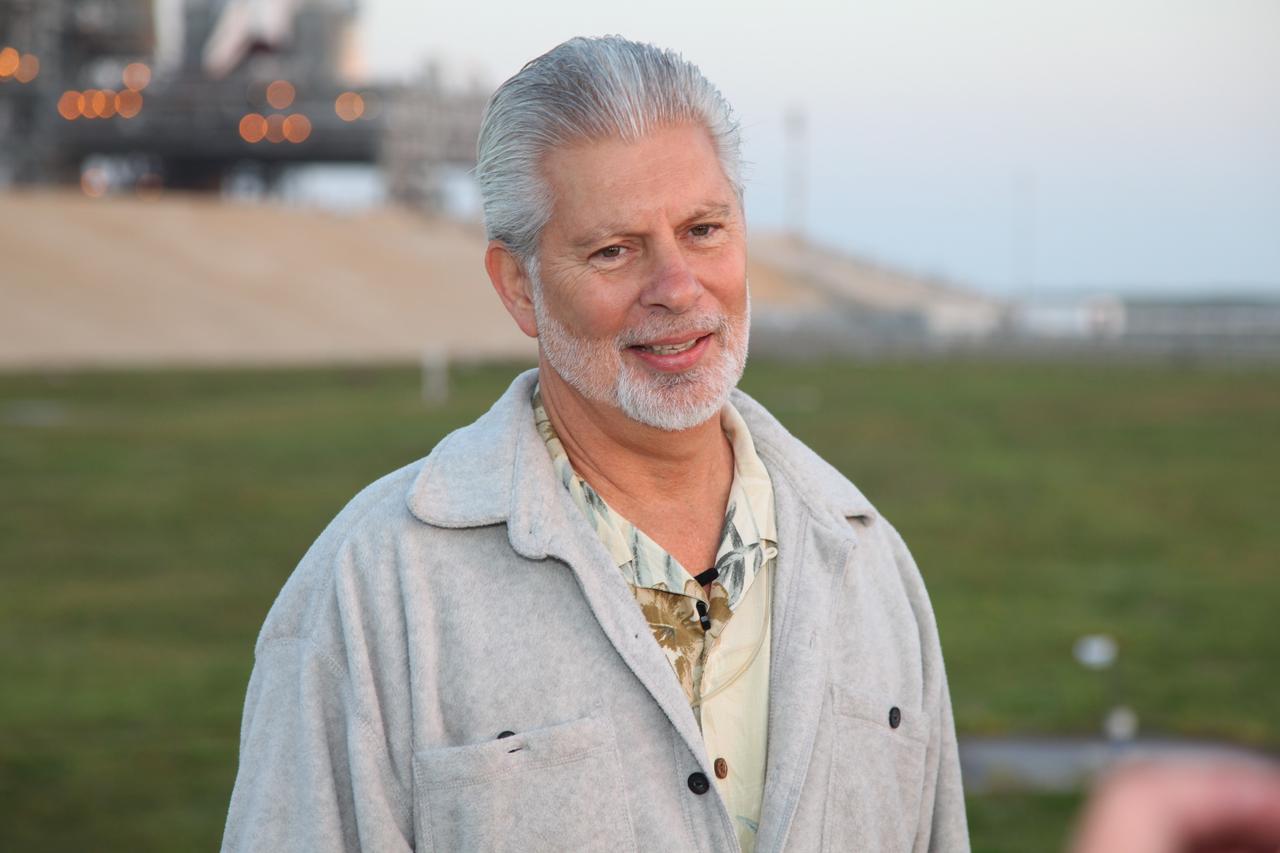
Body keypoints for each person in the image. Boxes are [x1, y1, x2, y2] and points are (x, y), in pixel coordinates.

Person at [222, 35, 968, 853]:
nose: (677, 288)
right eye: (614, 250)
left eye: (704, 229)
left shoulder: (871, 566)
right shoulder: (372, 590)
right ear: (519, 288)